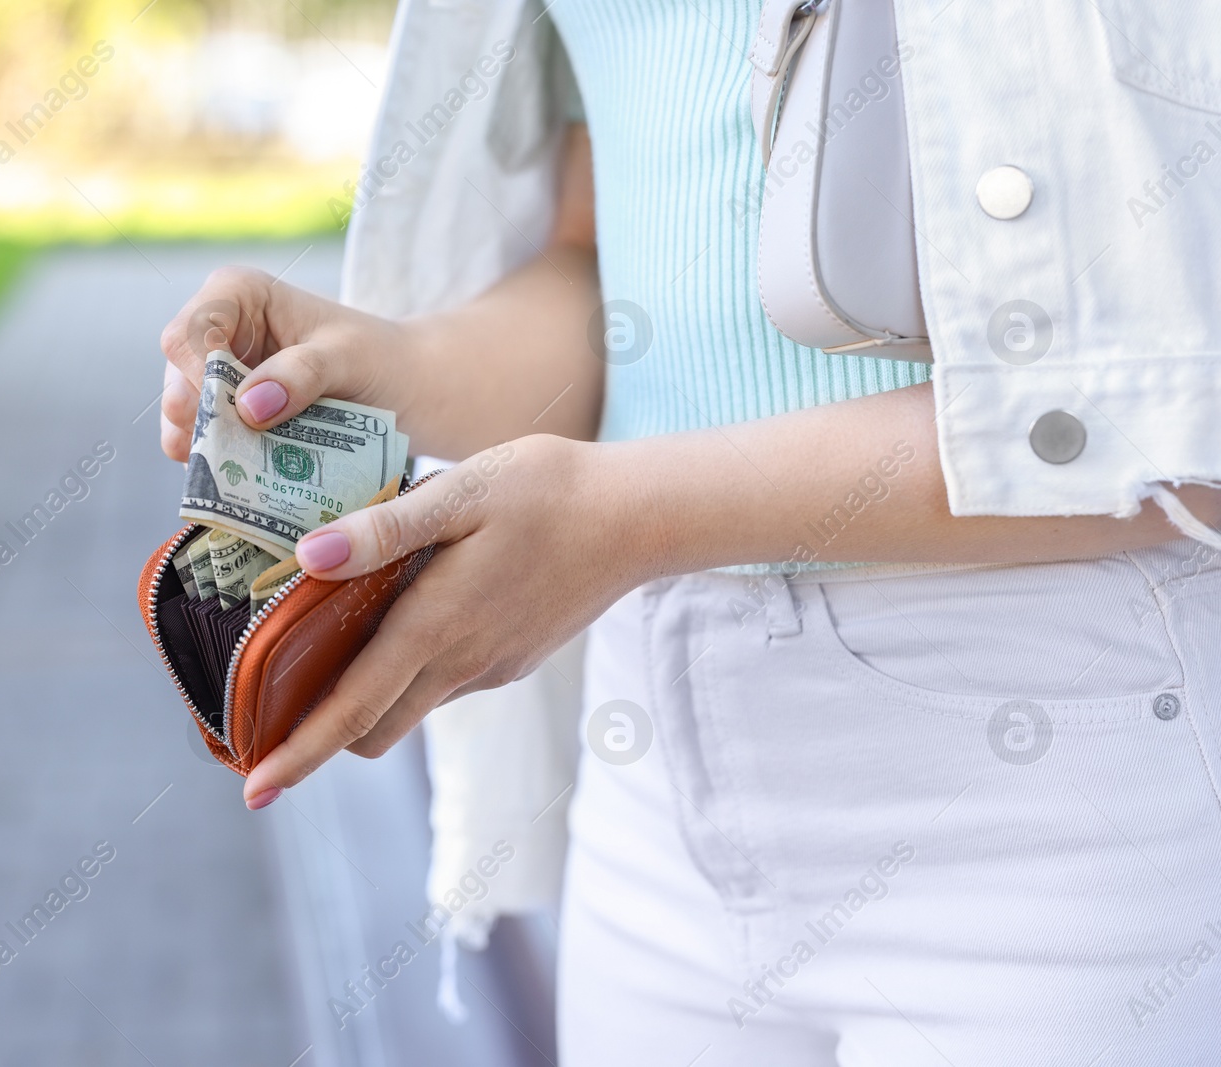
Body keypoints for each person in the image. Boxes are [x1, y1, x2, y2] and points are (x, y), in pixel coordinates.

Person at [158, 2, 1221, 1063]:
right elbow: (606, 278)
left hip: (1054, 776)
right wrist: (379, 362)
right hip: (653, 767)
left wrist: (634, 514)